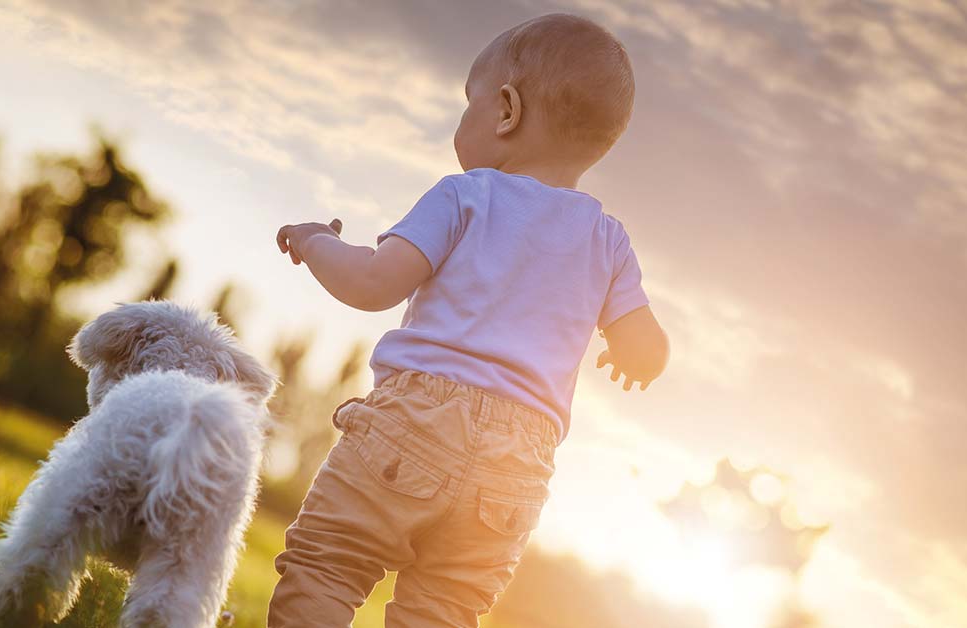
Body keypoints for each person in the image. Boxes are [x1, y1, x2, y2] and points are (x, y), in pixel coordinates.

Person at [269, 13, 669, 627]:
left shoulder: (468, 194)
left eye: (468, 102)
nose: (463, 119)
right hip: (517, 468)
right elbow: (647, 349)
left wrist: (317, 240)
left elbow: (374, 283)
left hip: (416, 420)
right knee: (443, 611)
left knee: (328, 568)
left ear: (506, 110)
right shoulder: (609, 242)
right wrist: (632, 357)